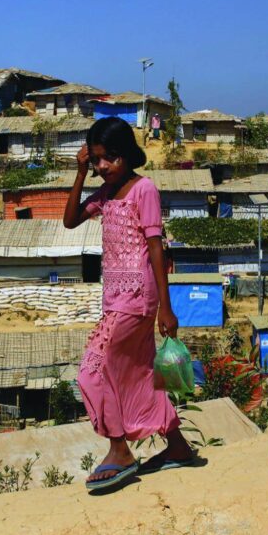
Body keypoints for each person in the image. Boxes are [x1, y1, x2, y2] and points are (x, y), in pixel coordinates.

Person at [64, 117, 194, 491]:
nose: (104, 167)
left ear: (127, 155)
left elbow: (156, 248)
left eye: (111, 159)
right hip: (115, 299)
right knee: (136, 373)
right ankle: (178, 446)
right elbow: (70, 220)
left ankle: (119, 450)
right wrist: (79, 173)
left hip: (137, 298)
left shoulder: (143, 190)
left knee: (92, 370)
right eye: (97, 160)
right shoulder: (105, 194)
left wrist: (166, 308)